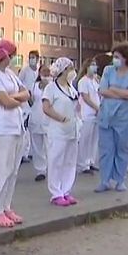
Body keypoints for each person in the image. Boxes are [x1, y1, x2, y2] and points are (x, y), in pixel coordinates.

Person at [0, 39, 30, 228]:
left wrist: (14, 97)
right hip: (2, 128)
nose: (12, 58)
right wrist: (16, 98)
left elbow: (25, 93)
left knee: (13, 170)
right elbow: (5, 102)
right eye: (11, 55)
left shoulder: (10, 74)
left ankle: (6, 206)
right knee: (2, 170)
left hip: (17, 125)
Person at [96, 43, 128, 193]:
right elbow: (103, 91)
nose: (114, 59)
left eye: (117, 57)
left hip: (124, 118)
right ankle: (105, 180)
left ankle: (120, 180)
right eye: (113, 56)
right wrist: (122, 92)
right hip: (106, 116)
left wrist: (113, 89)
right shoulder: (108, 71)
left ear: (125, 58)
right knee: (106, 150)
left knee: (122, 149)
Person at [41, 57, 81, 207]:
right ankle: (56, 193)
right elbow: (46, 108)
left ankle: (66, 190)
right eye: (70, 68)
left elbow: (76, 105)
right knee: (56, 161)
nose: (72, 72)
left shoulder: (71, 88)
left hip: (72, 130)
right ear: (63, 71)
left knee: (70, 162)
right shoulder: (51, 88)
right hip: (58, 131)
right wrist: (60, 118)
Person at [77, 57, 100, 174]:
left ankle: (91, 161)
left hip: (97, 114)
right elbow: (86, 97)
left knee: (94, 139)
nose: (94, 67)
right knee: (85, 139)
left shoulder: (95, 81)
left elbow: (99, 95)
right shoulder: (83, 81)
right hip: (87, 114)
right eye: (92, 64)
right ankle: (83, 164)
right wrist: (96, 108)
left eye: (95, 64)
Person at [29, 64, 51, 181]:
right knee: (37, 146)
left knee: (50, 146)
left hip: (49, 119)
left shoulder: (53, 85)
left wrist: (48, 85)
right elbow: (31, 100)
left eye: (48, 71)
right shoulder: (35, 85)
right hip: (36, 118)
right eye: (43, 71)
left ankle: (51, 168)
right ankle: (40, 170)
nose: (46, 73)